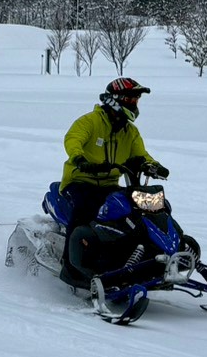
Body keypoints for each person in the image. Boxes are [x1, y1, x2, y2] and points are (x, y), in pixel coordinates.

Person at [58, 77, 168, 283]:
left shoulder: (130, 132)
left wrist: (152, 165)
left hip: (109, 185)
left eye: (136, 100)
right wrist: (80, 159)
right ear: (116, 100)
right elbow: (73, 140)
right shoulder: (90, 121)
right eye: (131, 99)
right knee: (85, 209)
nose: (134, 104)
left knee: (144, 210)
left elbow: (141, 154)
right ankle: (70, 268)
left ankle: (142, 258)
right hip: (80, 181)